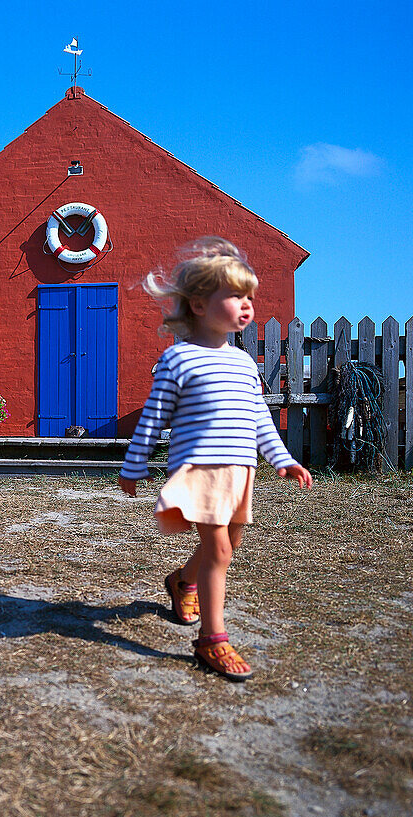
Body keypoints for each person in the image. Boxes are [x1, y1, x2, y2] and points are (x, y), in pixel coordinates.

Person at [119, 237, 312, 682]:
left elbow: (259, 417)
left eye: (250, 297)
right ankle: (213, 640)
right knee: (219, 549)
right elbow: (153, 417)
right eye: (236, 296)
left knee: (224, 549)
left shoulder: (244, 362)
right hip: (199, 469)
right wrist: (134, 464)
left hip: (241, 470)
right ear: (201, 305)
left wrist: (282, 459)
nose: (247, 305)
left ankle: (182, 582)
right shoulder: (178, 359)